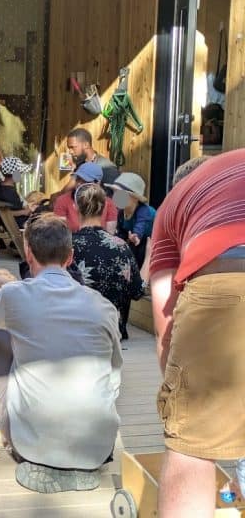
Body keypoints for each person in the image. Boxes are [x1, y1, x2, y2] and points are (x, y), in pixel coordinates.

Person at [0, 214, 122, 494]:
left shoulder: (13, 295)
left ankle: (21, 436)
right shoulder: (103, 305)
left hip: (34, 444)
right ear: (70, 257)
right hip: (98, 444)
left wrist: (11, 324)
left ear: (29, 254)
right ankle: (76, 460)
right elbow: (115, 373)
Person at [149, 148, 245, 517]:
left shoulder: (176, 201)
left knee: (193, 448)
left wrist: (180, 394)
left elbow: (166, 318)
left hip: (227, 279)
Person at [72, 184, 144, 340]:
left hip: (74, 331)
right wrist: (150, 255)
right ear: (104, 208)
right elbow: (138, 291)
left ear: (75, 207)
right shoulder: (121, 246)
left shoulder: (66, 247)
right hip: (111, 333)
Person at [108, 172, 155, 268]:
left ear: (135, 198)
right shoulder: (121, 212)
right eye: (115, 193)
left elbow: (140, 226)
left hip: (151, 246)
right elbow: (121, 232)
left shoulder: (144, 211)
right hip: (137, 244)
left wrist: (136, 235)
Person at [52, 162, 116, 233]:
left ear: (97, 183)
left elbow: (110, 233)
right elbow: (60, 232)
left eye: (84, 181)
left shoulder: (108, 203)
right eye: (78, 179)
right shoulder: (63, 200)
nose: (79, 183)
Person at [0, 156, 32, 228]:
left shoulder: (1, 188)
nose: (21, 175)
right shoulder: (8, 193)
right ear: (15, 174)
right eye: (20, 172)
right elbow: (5, 213)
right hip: (18, 226)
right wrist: (24, 212)